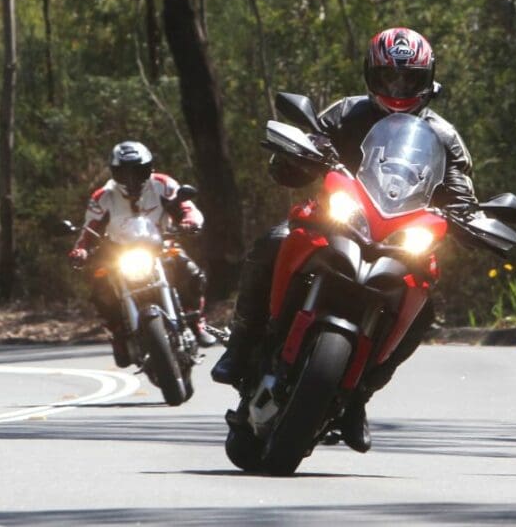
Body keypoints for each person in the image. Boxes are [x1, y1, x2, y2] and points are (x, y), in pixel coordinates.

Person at [211, 27, 479, 452]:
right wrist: (294, 156)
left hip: (401, 235)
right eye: (388, 77)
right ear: (370, 75)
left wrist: (473, 220)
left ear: (427, 79)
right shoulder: (347, 113)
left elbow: (463, 194)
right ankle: (242, 344)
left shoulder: (443, 136)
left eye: (408, 79)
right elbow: (296, 157)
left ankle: (359, 395)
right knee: (272, 242)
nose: (397, 87)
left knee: (425, 304)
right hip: (338, 220)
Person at [68, 140, 216, 367]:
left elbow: (186, 207)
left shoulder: (163, 185)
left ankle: (196, 321)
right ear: (114, 172)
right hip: (118, 254)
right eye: (124, 172)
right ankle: (119, 335)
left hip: (160, 246)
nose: (131, 178)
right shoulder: (103, 197)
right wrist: (80, 251)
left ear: (149, 168)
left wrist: (189, 222)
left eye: (137, 171)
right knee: (100, 287)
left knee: (191, 272)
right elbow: (89, 229)